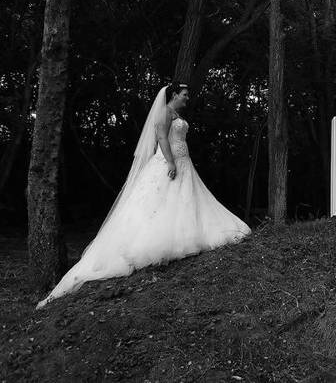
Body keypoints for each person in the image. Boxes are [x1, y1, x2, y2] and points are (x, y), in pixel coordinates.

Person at [36, 84, 251, 308]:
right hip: (169, 162)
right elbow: (162, 138)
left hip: (184, 161)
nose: (188, 98)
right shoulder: (164, 113)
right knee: (160, 201)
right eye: (185, 94)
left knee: (185, 198)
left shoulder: (176, 114)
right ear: (174, 95)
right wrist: (170, 161)